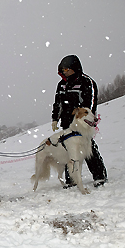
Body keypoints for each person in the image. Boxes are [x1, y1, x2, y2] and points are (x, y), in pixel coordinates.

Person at [52, 54, 107, 188]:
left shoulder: (87, 82)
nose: (65, 72)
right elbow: (57, 103)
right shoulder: (61, 84)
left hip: (82, 124)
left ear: (74, 68)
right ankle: (71, 178)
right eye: (63, 70)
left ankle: (99, 176)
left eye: (67, 69)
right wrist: (55, 118)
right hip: (67, 124)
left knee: (88, 149)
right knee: (68, 151)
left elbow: (91, 105)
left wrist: (88, 119)